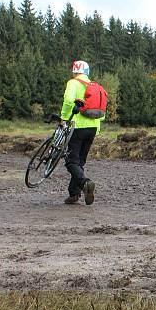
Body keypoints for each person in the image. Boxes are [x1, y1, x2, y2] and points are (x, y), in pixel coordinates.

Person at [61, 60, 101, 205]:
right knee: (80, 162)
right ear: (87, 72)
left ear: (74, 71)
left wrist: (64, 118)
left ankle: (85, 183)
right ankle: (74, 194)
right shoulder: (94, 86)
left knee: (71, 161)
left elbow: (68, 101)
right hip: (93, 128)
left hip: (77, 127)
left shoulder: (73, 83)